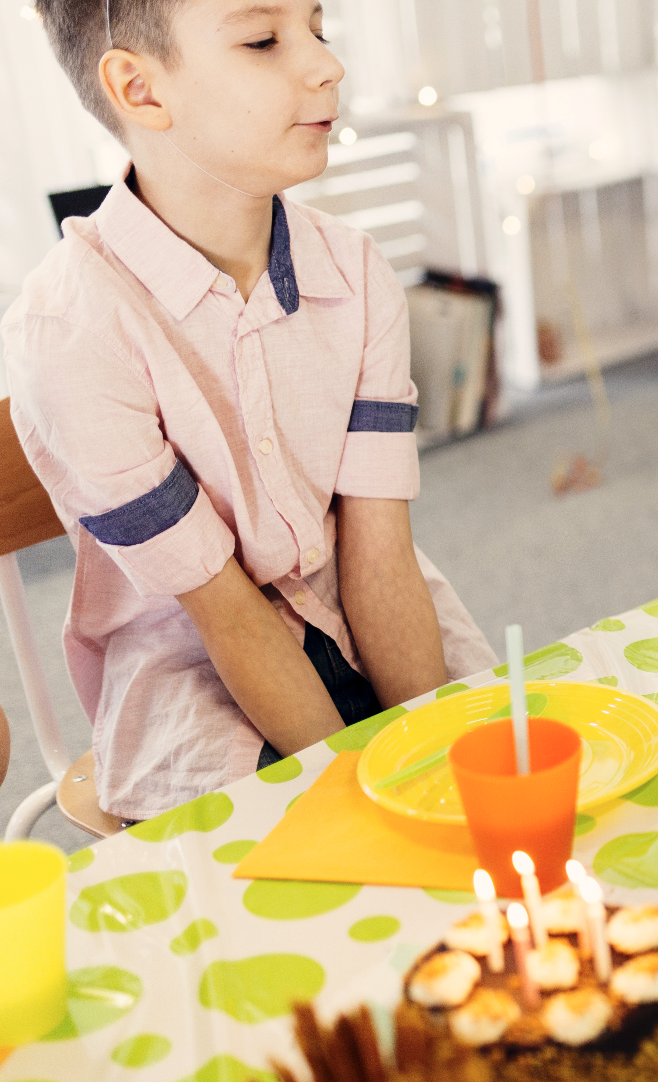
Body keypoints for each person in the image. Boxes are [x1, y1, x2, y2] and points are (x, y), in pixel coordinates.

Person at [3, 0, 498, 820]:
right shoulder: (70, 329)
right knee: (322, 846)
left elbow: (379, 552)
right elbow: (224, 613)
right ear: (141, 89)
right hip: (195, 665)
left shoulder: (356, 270)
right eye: (265, 40)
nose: (325, 65)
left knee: (489, 784)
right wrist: (366, 806)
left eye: (318, 26)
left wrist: (425, 756)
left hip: (364, 612)